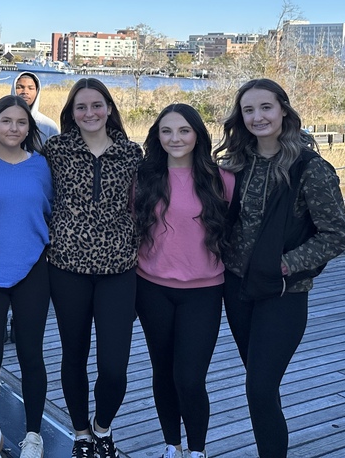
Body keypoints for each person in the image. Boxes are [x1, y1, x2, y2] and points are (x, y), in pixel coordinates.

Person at [214, 79, 345, 458]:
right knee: (262, 388)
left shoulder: (310, 168)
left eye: (266, 108)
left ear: (284, 111)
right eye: (248, 110)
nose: (258, 117)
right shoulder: (235, 164)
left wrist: (285, 265)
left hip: (284, 294)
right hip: (237, 290)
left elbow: (337, 235)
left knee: (259, 388)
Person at [43, 78, 143, 458]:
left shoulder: (131, 153)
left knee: (114, 365)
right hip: (67, 267)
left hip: (119, 268)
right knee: (74, 355)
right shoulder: (56, 150)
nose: (89, 113)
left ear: (109, 108)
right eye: (81, 107)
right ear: (71, 112)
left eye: (96, 105)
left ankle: (104, 427)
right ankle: (82, 434)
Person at [134, 105, 235, 458]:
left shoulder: (221, 180)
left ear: (197, 135)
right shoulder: (143, 178)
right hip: (152, 288)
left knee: (189, 378)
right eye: (166, 131)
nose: (175, 138)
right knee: (162, 372)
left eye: (183, 131)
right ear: (157, 136)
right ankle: (171, 446)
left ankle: (197, 451)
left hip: (203, 292)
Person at [0, 95, 53, 458]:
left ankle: (33, 434)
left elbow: (52, 210)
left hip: (33, 268)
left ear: (29, 128)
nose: (13, 128)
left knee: (31, 356)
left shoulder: (42, 167)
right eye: (6, 121)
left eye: (21, 123)